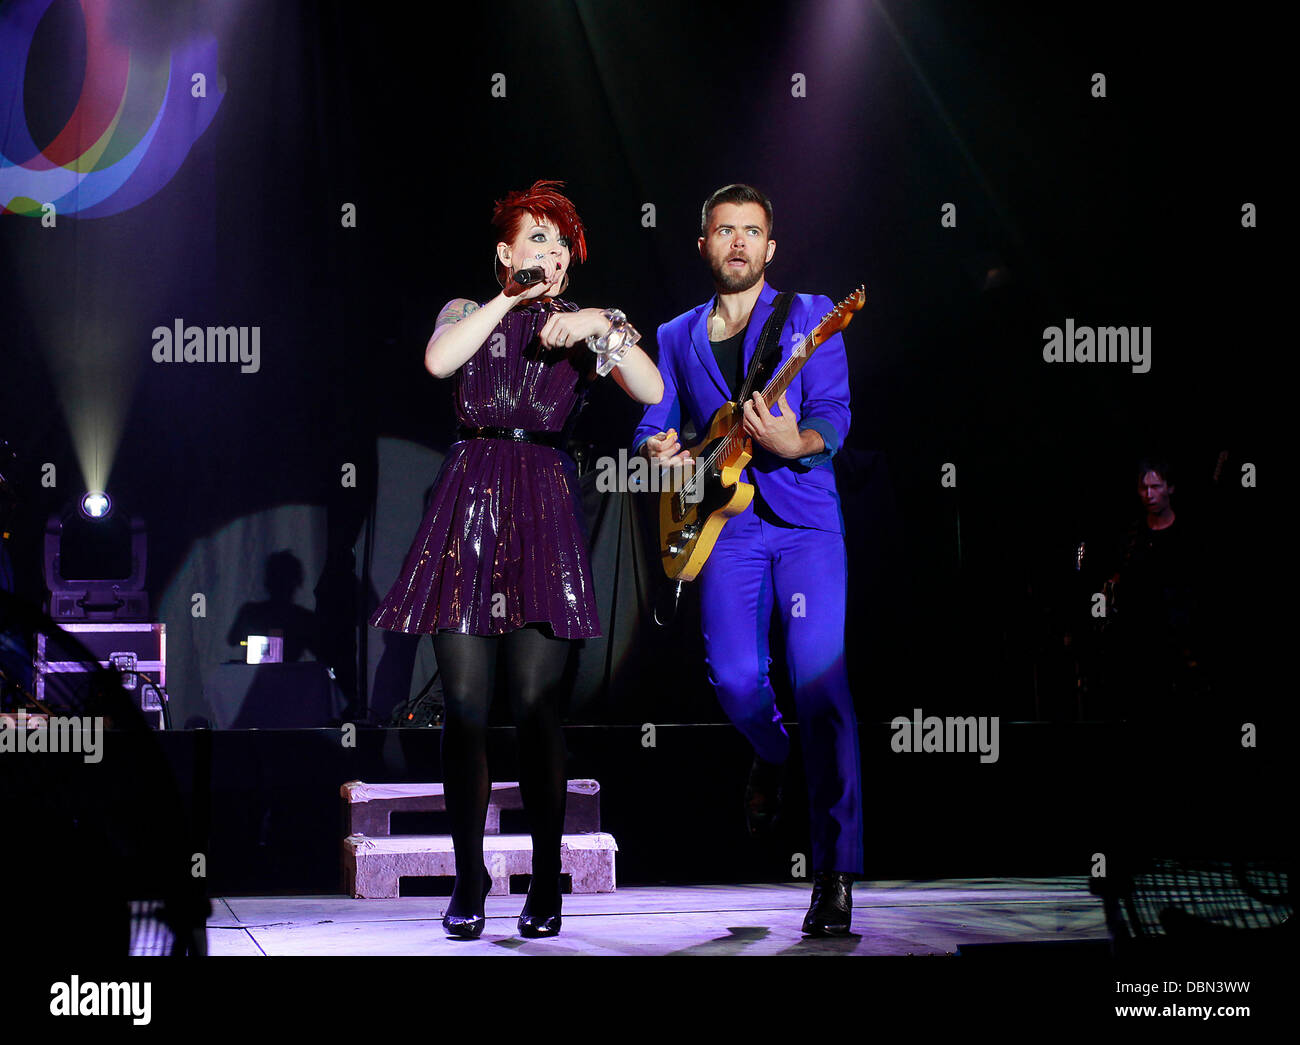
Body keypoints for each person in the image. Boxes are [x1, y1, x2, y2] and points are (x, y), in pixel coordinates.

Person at [370, 180, 663, 939]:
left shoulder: (581, 325)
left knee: (537, 706)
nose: (551, 254)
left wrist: (602, 322)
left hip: (542, 498)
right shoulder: (466, 312)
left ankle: (544, 880)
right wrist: (510, 300)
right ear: (505, 252)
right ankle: (469, 876)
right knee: (465, 708)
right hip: (468, 499)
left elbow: (651, 384)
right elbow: (440, 362)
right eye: (538, 239)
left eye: (561, 245)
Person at [633, 184, 863, 935]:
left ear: (771, 247)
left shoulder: (810, 313)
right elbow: (654, 422)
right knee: (735, 680)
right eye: (724, 230)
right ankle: (770, 748)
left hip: (804, 524)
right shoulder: (674, 334)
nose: (737, 242)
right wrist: (655, 449)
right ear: (702, 244)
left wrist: (797, 442)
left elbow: (832, 411)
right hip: (723, 527)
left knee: (822, 687)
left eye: (751, 231)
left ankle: (834, 872)